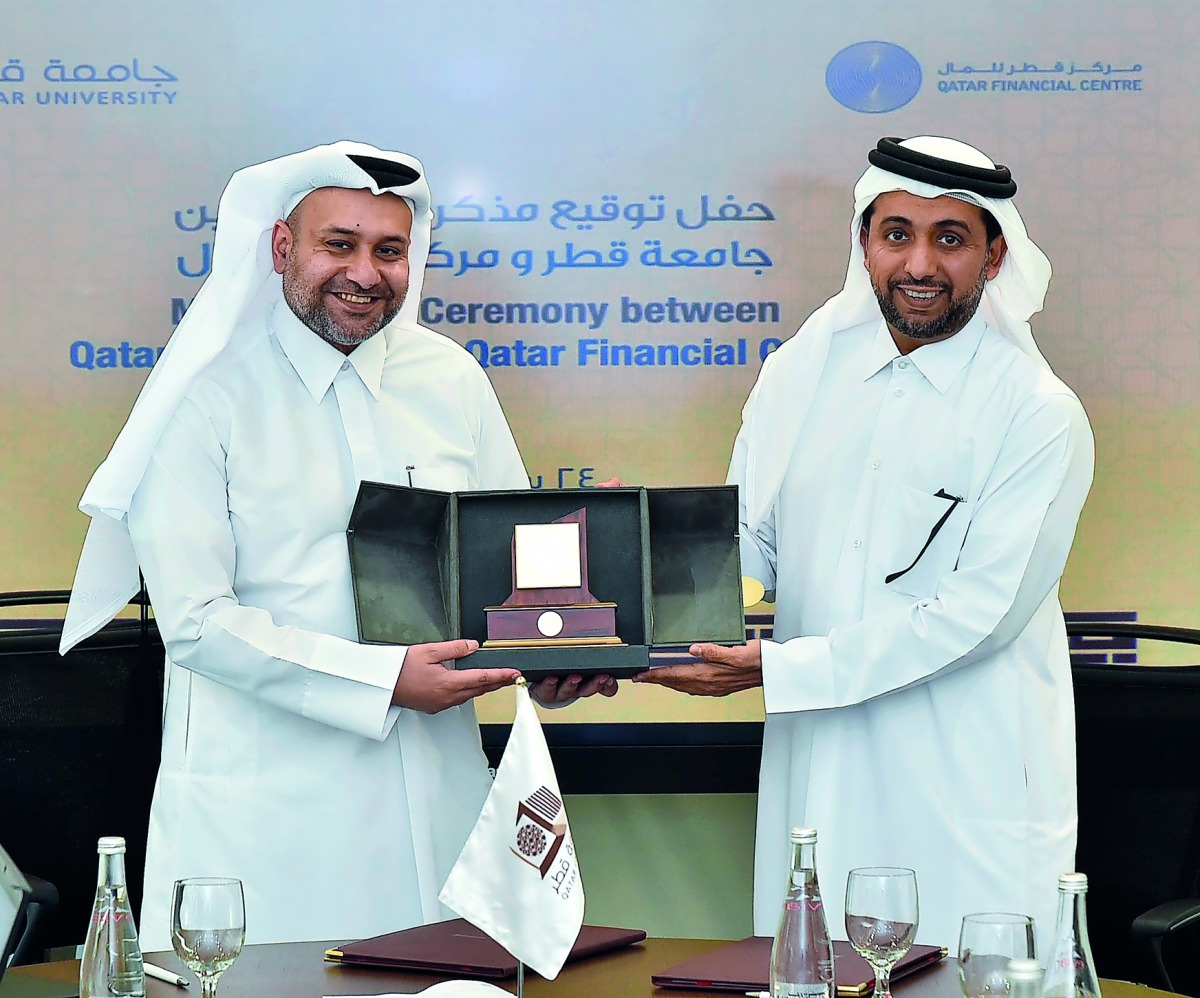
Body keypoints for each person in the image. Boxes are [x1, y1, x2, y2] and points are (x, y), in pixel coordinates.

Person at [60, 142, 614, 949]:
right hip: (271, 817)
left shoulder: (452, 378)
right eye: (339, 244)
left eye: (389, 250)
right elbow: (197, 623)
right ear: (282, 246)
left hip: (439, 794)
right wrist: (385, 679)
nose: (364, 272)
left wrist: (556, 659)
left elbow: (505, 575)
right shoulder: (206, 396)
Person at [635, 135, 1094, 952]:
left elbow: (979, 620)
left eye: (949, 238)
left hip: (961, 773)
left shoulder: (1036, 412)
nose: (920, 264)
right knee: (813, 972)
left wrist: (783, 669)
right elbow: (751, 550)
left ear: (994, 257)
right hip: (818, 759)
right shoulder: (800, 372)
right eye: (897, 234)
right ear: (864, 242)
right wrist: (632, 563)